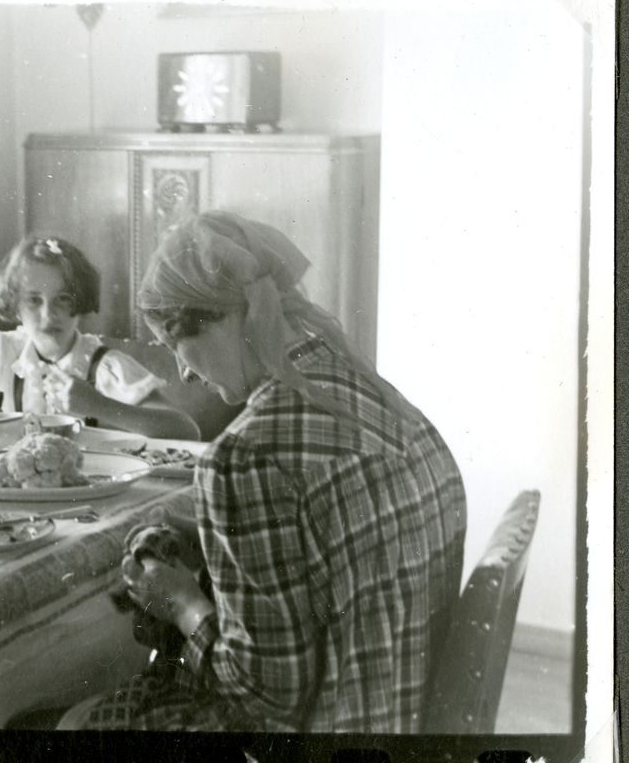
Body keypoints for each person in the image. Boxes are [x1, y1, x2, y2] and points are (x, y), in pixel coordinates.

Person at [65, 211, 466, 733]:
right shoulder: (379, 396)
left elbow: (261, 703)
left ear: (228, 319)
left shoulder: (243, 456)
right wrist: (214, 539)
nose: (184, 372)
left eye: (176, 346)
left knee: (67, 728)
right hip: (398, 718)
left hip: (320, 758)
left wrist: (183, 606)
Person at [0, 235, 199, 440]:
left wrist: (99, 406)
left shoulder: (105, 367)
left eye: (62, 300)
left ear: (80, 301)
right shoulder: (1, 352)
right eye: (33, 301)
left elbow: (187, 431)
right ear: (14, 305)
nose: (47, 315)